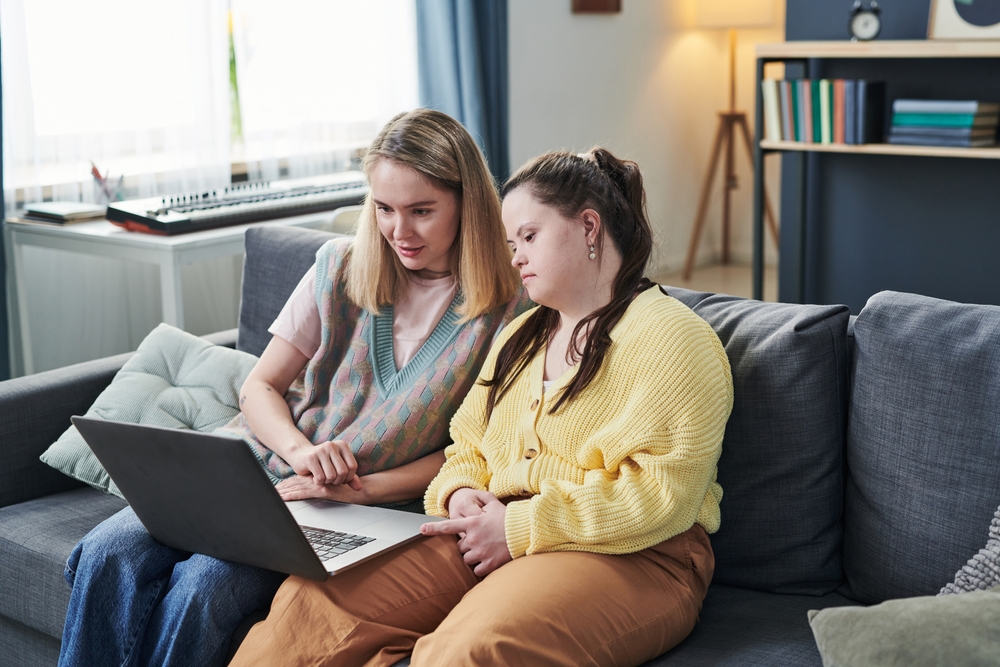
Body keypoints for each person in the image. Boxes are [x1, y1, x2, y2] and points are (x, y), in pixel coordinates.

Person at [57, 108, 531, 667]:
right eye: (384, 209)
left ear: (467, 203)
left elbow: (477, 453)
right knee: (108, 552)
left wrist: (362, 489)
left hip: (360, 508)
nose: (399, 232)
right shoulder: (338, 266)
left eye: (421, 211)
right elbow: (259, 387)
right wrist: (302, 453)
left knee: (201, 588)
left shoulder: (510, 308)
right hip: (257, 469)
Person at [229, 147, 735, 667]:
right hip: (491, 527)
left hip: (634, 554)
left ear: (589, 227)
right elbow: (468, 444)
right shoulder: (522, 336)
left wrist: (517, 529)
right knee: (311, 603)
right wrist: (463, 493)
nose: (514, 257)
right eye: (512, 242)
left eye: (529, 238)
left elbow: (662, 496)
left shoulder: (673, 338)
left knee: (469, 651)